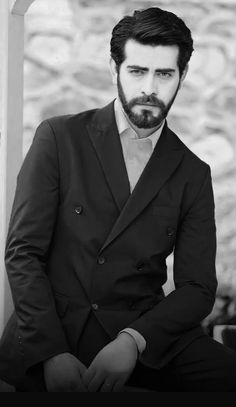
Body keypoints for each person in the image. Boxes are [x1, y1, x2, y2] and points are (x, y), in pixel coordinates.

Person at [0, 6, 236, 392]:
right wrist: (50, 353)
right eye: (137, 71)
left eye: (164, 74)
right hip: (58, 330)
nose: (150, 87)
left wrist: (133, 341)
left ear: (183, 76)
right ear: (114, 70)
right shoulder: (59, 138)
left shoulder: (193, 172)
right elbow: (23, 251)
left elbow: (198, 288)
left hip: (143, 334)